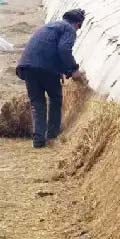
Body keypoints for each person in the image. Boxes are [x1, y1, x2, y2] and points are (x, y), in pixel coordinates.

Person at [16, 9, 86, 148]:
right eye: (78, 27)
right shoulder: (69, 29)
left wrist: (65, 70)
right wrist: (73, 70)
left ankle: (38, 140)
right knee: (55, 98)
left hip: (27, 66)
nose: (77, 31)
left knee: (37, 103)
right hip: (45, 67)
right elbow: (64, 50)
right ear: (78, 24)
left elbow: (51, 49)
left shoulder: (50, 26)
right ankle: (52, 134)